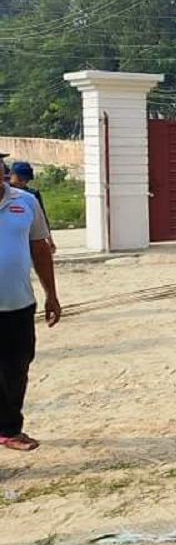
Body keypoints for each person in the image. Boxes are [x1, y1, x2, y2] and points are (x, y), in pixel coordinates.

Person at [0, 157, 61, 452]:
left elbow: (40, 248)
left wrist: (51, 293)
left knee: (17, 368)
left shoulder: (25, 202)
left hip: (19, 304)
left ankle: (10, 429)